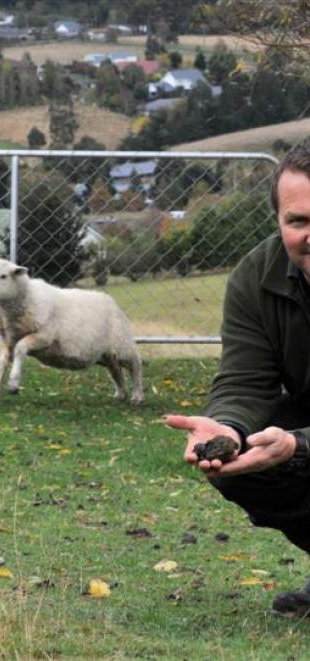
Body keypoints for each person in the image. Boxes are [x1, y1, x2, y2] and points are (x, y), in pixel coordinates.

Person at [166, 138, 310, 618]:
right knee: (246, 462)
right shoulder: (257, 274)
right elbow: (246, 381)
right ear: (279, 221)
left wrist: (300, 445)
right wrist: (227, 427)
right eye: (299, 221)